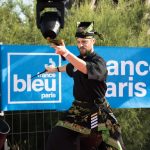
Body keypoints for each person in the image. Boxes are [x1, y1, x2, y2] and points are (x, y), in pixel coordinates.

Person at [45, 22, 125, 150]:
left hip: (98, 111)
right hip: (78, 110)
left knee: (113, 144)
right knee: (57, 135)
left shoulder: (99, 62)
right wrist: (54, 69)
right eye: (78, 42)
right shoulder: (78, 60)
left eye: (84, 42)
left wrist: (66, 53)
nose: (80, 45)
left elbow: (84, 67)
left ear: (93, 41)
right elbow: (71, 66)